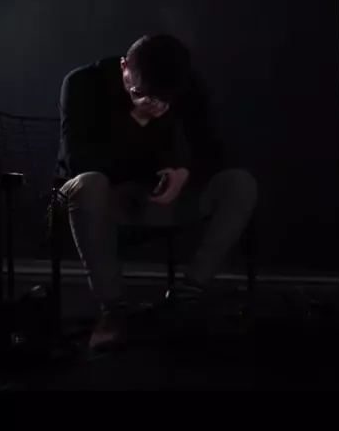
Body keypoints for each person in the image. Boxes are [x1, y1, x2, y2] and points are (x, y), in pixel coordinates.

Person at [56, 34, 258, 350]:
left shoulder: (185, 86)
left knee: (239, 183)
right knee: (90, 183)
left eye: (162, 100)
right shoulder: (82, 83)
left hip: (151, 193)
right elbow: (78, 163)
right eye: (140, 93)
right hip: (87, 197)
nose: (154, 105)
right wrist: (138, 117)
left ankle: (187, 296)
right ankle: (114, 309)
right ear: (123, 66)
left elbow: (213, 152)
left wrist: (184, 174)